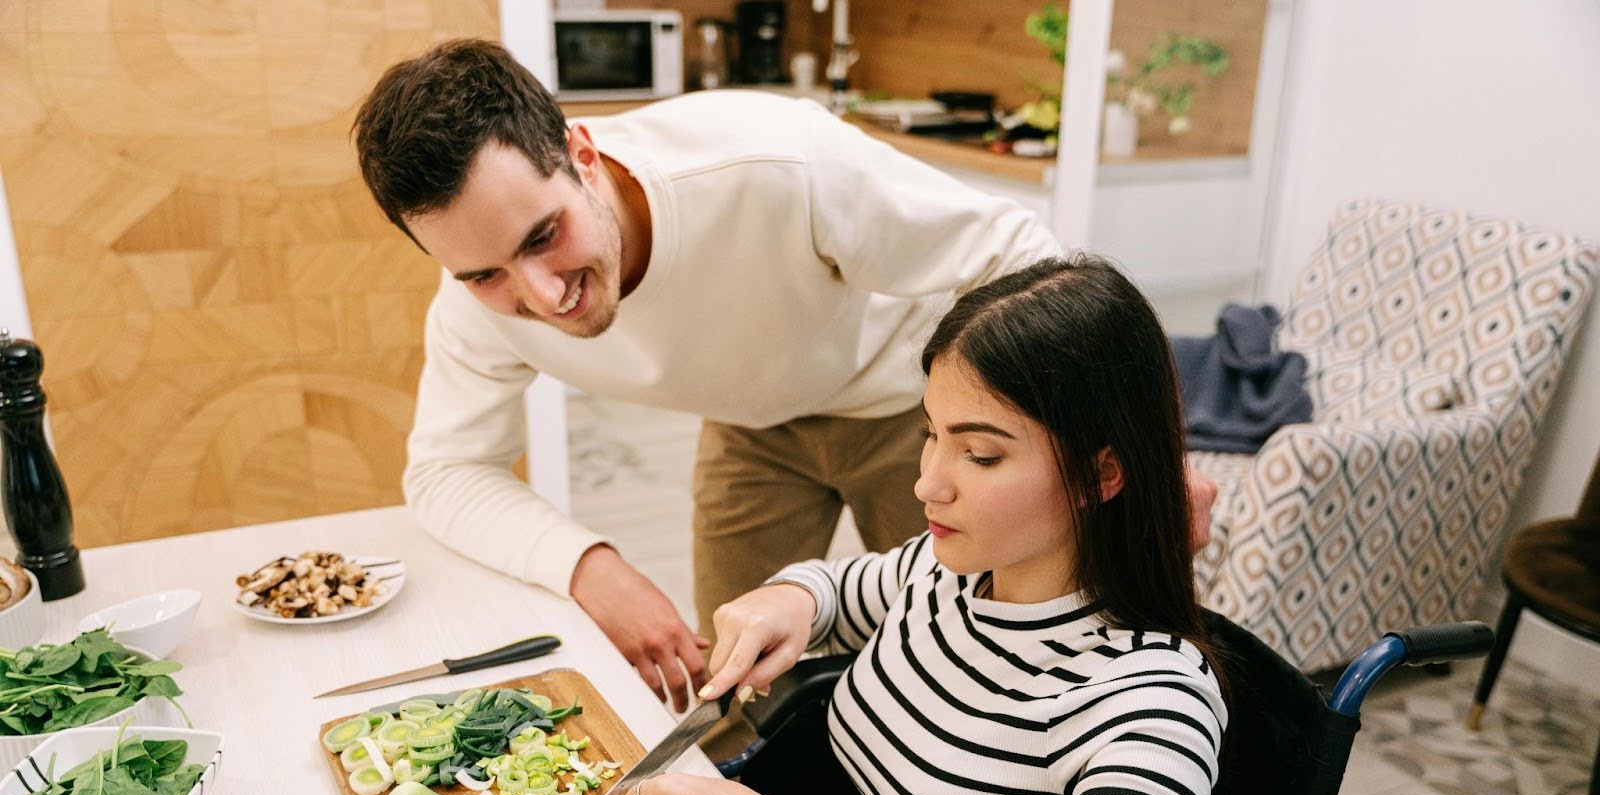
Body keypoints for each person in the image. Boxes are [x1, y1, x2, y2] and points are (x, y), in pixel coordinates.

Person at [351, 40, 1216, 711]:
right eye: (484, 273)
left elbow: (1026, 259)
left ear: (581, 152)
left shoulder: (773, 163)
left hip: (904, 413)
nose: (540, 297)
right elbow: (443, 471)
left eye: (544, 237)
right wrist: (592, 568)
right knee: (734, 683)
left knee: (973, 671)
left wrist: (1147, 454)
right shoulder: (475, 300)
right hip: (751, 422)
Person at [602, 255, 1228, 795]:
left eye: (982, 454)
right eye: (930, 434)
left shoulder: (1150, 697)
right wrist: (788, 602)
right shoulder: (948, 572)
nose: (929, 483)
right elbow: (838, 590)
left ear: (1101, 474)